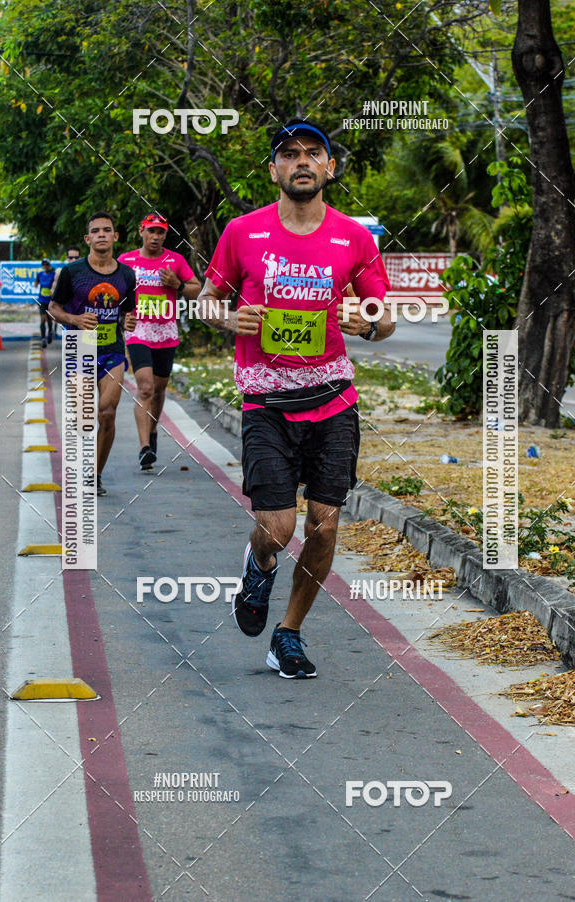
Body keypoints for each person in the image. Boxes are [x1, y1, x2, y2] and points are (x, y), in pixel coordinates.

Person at [198, 118, 394, 678]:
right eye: (289, 154)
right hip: (266, 403)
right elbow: (209, 300)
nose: (302, 161)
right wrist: (228, 317)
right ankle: (257, 567)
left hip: (334, 402)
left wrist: (369, 322)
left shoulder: (354, 238)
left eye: (314, 153)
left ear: (330, 168)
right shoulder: (242, 231)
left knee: (325, 526)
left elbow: (385, 318)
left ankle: (288, 633)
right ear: (274, 170)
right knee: (277, 530)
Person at [48, 212, 136, 496]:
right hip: (80, 349)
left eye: (106, 230)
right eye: (95, 231)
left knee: (107, 414)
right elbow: (53, 308)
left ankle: (95, 475)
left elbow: (126, 312)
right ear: (87, 238)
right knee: (83, 419)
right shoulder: (73, 273)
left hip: (112, 350)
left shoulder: (126, 275)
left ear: (115, 236)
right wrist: (75, 320)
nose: (101, 234)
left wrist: (128, 321)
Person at [118, 213, 201, 469]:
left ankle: (152, 431)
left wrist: (177, 285)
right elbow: (114, 293)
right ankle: (144, 448)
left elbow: (197, 288)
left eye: (160, 232)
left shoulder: (174, 260)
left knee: (160, 388)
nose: (155, 237)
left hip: (166, 330)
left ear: (165, 235)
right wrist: (122, 319)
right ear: (141, 231)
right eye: (151, 231)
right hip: (138, 331)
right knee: (145, 388)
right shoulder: (126, 260)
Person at [51, 246, 82, 337]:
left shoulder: (85, 272)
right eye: (70, 258)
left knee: (87, 349)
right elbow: (54, 295)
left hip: (84, 315)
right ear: (66, 258)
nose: (73, 260)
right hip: (68, 315)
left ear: (80, 258)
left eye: (76, 258)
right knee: (72, 348)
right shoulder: (60, 273)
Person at [34, 259, 56, 348]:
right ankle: (43, 338)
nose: (45, 266)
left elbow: (56, 284)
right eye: (44, 264)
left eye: (47, 264)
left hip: (50, 301)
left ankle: (50, 332)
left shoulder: (53, 274)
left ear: (49, 265)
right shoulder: (40, 274)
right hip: (42, 300)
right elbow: (36, 283)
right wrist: (35, 284)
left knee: (49, 319)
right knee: (43, 320)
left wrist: (53, 290)